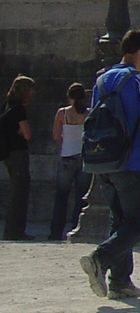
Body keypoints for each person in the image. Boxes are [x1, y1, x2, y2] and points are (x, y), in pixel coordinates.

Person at [76, 32, 140, 297]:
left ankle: (120, 282)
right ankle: (100, 258)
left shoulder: (102, 79)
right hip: (130, 160)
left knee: (121, 220)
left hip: (104, 160)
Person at [49, 83, 91, 240]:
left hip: (67, 157)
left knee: (61, 196)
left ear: (69, 97)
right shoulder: (89, 113)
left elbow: (55, 136)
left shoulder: (62, 113)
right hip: (83, 158)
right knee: (81, 196)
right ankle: (76, 228)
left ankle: (55, 232)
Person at [1, 74, 35, 240]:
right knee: (20, 192)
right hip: (18, 152)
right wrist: (23, 131)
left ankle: (12, 230)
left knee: (16, 191)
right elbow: (27, 133)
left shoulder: (7, 106)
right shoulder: (19, 109)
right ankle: (15, 231)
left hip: (8, 153)